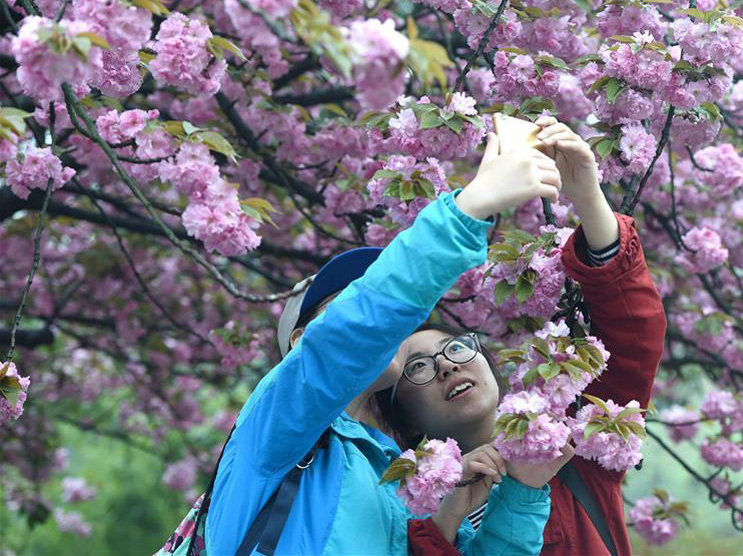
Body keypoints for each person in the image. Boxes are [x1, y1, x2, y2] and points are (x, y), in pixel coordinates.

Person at [201, 131, 574, 556]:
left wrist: (521, 493)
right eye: (348, 300)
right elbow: (354, 331)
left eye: (368, 291)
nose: (383, 322)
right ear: (303, 342)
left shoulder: (396, 478)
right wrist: (468, 210)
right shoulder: (277, 423)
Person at [375, 116, 668, 556]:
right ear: (407, 421)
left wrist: (587, 195)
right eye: (418, 367)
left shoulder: (571, 449)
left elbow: (635, 339)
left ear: (493, 371)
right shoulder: (400, 517)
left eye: (455, 347)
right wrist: (446, 518)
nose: (447, 365)